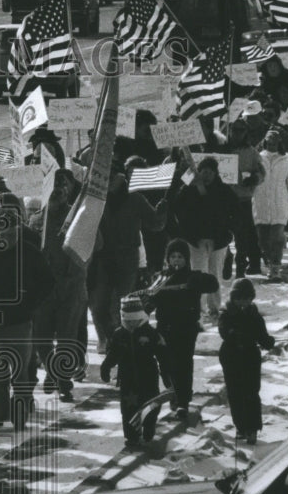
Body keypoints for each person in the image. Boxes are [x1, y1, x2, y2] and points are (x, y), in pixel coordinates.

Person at [0, 192, 54, 431]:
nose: (6, 232)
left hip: (21, 322)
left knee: (20, 372)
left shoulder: (30, 252)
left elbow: (48, 282)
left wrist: (30, 303)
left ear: (17, 228)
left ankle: (20, 413)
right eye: (1, 227)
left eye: (10, 226)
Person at [88, 173, 168, 358]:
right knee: (99, 307)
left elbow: (155, 224)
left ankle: (123, 347)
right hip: (103, 258)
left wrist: (161, 211)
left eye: (115, 178)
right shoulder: (97, 198)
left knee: (121, 303)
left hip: (127, 258)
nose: (112, 182)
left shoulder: (135, 199)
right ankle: (113, 338)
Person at [147, 239, 218, 419]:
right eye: (173, 257)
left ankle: (182, 401)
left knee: (183, 364)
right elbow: (150, 302)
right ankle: (173, 392)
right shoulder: (160, 278)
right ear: (167, 259)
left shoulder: (192, 277)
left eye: (180, 257)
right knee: (166, 364)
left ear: (186, 259)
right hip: (165, 328)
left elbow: (213, 284)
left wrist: (198, 281)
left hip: (186, 328)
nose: (176, 260)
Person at [33, 169, 88, 401]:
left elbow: (94, 246)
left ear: (68, 191)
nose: (57, 191)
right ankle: (53, 371)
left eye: (62, 186)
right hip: (44, 291)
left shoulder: (77, 218)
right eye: (52, 187)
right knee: (41, 337)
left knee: (66, 338)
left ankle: (63, 382)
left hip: (70, 288)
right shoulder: (37, 221)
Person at [173, 156, 239, 322]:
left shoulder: (223, 190)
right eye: (203, 171)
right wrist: (188, 179)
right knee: (198, 272)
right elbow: (177, 205)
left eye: (210, 172)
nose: (206, 175)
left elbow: (234, 211)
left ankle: (214, 307)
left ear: (215, 173)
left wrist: (228, 231)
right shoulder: (189, 188)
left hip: (218, 241)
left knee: (214, 272)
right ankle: (198, 307)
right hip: (195, 239)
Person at [100, 296, 165, 448]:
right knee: (128, 409)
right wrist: (106, 367)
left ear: (140, 318)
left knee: (151, 406)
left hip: (148, 377)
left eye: (133, 320)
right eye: (127, 320)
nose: (130, 324)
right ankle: (132, 436)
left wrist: (167, 374)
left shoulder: (150, 333)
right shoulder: (119, 335)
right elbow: (112, 354)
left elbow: (163, 355)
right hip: (127, 379)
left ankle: (149, 425)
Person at [218, 278, 275, 445]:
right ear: (233, 298)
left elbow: (261, 335)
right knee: (235, 392)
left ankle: (253, 428)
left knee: (251, 391)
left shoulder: (254, 315)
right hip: (231, 355)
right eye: (239, 299)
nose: (243, 302)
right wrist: (235, 334)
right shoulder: (226, 314)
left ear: (251, 299)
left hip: (250, 356)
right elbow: (224, 331)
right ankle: (241, 427)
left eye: (247, 299)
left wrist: (267, 341)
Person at [253, 130, 288, 281]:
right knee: (263, 239)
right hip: (261, 205)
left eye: (274, 141)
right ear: (265, 142)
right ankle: (268, 260)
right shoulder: (257, 159)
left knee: (277, 237)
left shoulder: (286, 162)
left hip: (280, 205)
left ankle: (275, 267)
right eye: (269, 141)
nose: (271, 144)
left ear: (279, 143)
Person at [225, 118, 266, 276]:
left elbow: (262, 172)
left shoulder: (251, 152)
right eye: (234, 130)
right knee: (223, 233)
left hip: (242, 199)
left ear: (246, 132)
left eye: (241, 130)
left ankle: (243, 265)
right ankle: (226, 261)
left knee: (244, 236)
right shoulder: (223, 149)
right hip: (224, 199)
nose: (237, 133)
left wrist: (254, 178)